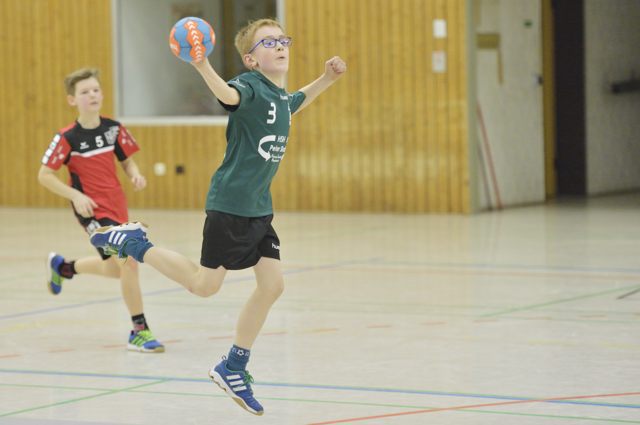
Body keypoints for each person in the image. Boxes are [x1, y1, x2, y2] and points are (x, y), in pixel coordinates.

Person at [89, 18, 346, 415]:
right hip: (231, 205)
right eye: (268, 43)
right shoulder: (249, 86)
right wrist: (201, 64)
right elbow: (228, 96)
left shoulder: (278, 97)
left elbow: (296, 102)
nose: (279, 46)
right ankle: (135, 244)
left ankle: (234, 366)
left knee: (272, 285)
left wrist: (326, 79)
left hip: (258, 207)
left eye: (282, 39)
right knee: (204, 285)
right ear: (251, 59)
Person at [38, 67, 164, 354]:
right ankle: (139, 330)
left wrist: (135, 174)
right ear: (72, 100)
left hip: (117, 206)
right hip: (92, 211)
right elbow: (44, 175)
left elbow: (127, 161)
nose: (92, 95)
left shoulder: (113, 129)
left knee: (116, 269)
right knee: (129, 262)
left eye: (96, 90)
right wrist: (75, 195)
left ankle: (64, 267)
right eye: (85, 92)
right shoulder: (67, 137)